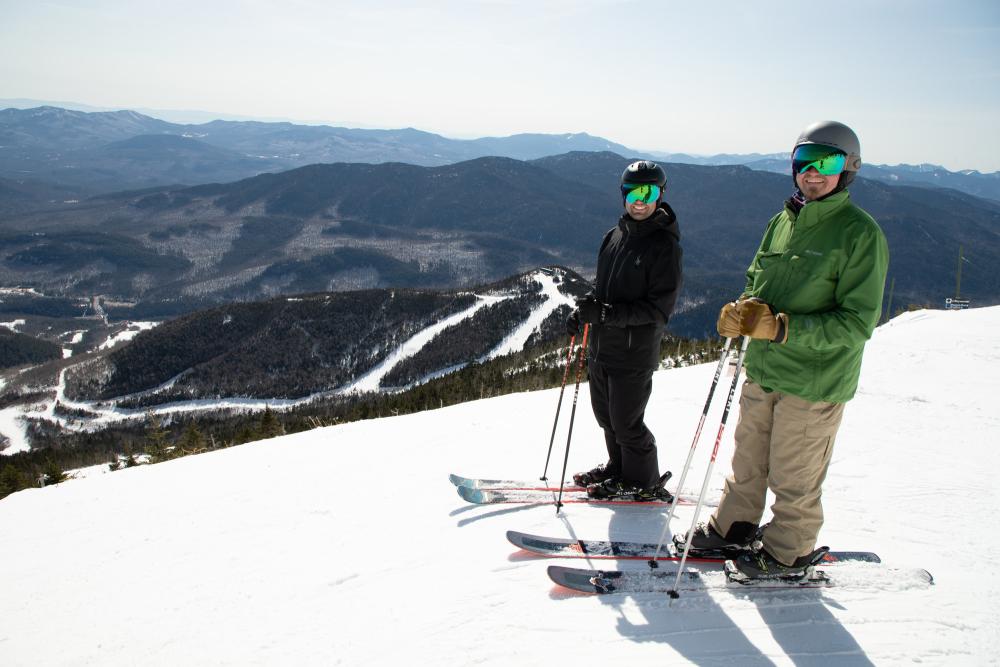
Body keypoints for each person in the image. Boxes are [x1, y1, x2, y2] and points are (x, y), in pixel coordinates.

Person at [683, 120, 889, 579]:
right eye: (803, 162)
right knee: (748, 461)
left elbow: (857, 323)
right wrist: (741, 311)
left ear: (849, 169)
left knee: (794, 474)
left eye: (827, 162)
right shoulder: (782, 221)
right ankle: (733, 527)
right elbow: (757, 282)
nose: (812, 173)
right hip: (765, 369)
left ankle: (788, 552)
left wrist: (782, 328)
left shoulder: (860, 233)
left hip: (815, 380)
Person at [566, 160, 683, 501]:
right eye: (633, 191)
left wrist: (605, 314)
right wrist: (584, 311)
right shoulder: (614, 236)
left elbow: (657, 311)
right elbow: (602, 290)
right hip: (602, 348)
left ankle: (642, 480)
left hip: (633, 352)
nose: (640, 199)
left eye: (649, 191)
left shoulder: (665, 247)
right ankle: (619, 470)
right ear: (623, 195)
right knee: (606, 418)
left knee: (627, 423)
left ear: (661, 195)